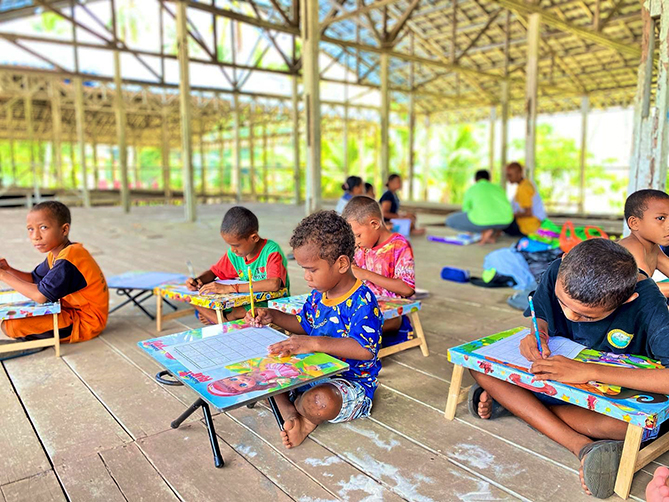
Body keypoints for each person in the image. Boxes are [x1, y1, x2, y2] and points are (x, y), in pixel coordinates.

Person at [469, 239, 669, 498]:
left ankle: (517, 405)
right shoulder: (558, 270)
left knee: (626, 428)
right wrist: (538, 331)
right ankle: (580, 444)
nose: (570, 316)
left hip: (604, 392)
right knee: (478, 366)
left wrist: (590, 371)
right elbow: (539, 310)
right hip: (556, 376)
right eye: (562, 302)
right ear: (563, 263)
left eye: (588, 316)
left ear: (628, 298)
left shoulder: (648, 301)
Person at [245, 210, 383, 449]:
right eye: (303, 269)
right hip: (310, 372)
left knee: (321, 402)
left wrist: (312, 343)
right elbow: (304, 325)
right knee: (263, 364)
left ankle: (305, 419)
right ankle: (290, 412)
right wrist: (273, 316)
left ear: (341, 263)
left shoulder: (363, 301)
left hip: (347, 383)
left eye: (312, 269)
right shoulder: (319, 294)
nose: (307, 277)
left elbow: (365, 349)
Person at [0, 201, 108, 344]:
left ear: (64, 230)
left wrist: (2, 275)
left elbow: (40, 296)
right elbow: (33, 279)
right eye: (30, 229)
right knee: (10, 315)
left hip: (84, 321)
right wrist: (8, 269)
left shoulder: (70, 259)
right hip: (68, 310)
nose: (35, 236)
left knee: (10, 325)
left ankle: (38, 340)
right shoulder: (58, 254)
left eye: (43, 227)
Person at [187, 206, 289, 324]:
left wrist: (230, 288)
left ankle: (222, 320)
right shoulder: (235, 254)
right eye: (230, 245)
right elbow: (214, 272)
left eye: (236, 245)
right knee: (201, 303)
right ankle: (222, 319)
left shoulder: (271, 250)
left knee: (241, 311)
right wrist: (198, 280)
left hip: (270, 303)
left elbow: (274, 284)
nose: (233, 250)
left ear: (254, 237)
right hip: (245, 300)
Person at [342, 195, 415, 346]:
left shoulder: (399, 246)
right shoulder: (360, 248)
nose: (356, 242)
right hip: (362, 307)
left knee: (355, 328)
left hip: (390, 314)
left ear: (374, 224)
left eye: (358, 235)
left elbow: (407, 289)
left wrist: (366, 274)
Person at [619, 189, 669, 296]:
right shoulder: (632, 247)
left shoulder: (653, 248)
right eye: (661, 218)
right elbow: (642, 289)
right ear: (634, 223)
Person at [445, 170, 514, 244]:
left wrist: (470, 229)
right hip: (505, 222)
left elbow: (466, 210)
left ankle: (485, 231)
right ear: (489, 179)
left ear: (475, 179)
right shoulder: (498, 188)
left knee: (450, 220)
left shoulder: (472, 189)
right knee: (491, 221)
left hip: (482, 221)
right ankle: (491, 233)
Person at [505, 162, 546, 236]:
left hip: (528, 227)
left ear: (519, 173)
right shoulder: (525, 183)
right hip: (534, 224)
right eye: (507, 175)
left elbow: (528, 213)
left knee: (501, 220)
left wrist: (512, 215)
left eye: (510, 175)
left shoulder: (523, 188)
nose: (508, 178)